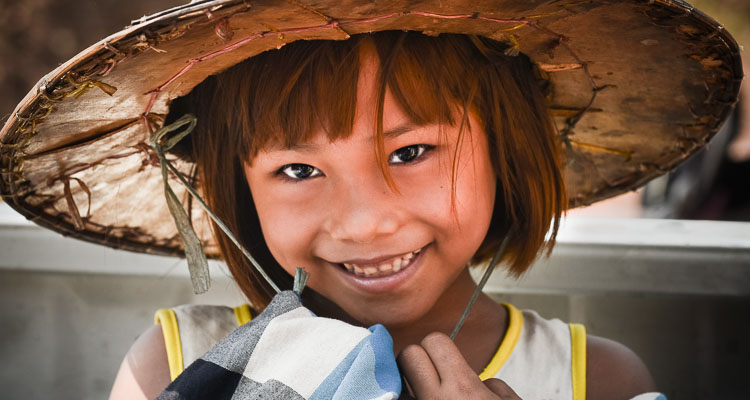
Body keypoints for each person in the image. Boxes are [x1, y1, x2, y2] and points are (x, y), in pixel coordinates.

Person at [0, 1, 740, 399]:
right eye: (296, 170)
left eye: (411, 152)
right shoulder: (177, 369)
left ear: (507, 151)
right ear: (237, 190)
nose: (365, 220)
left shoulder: (600, 384)